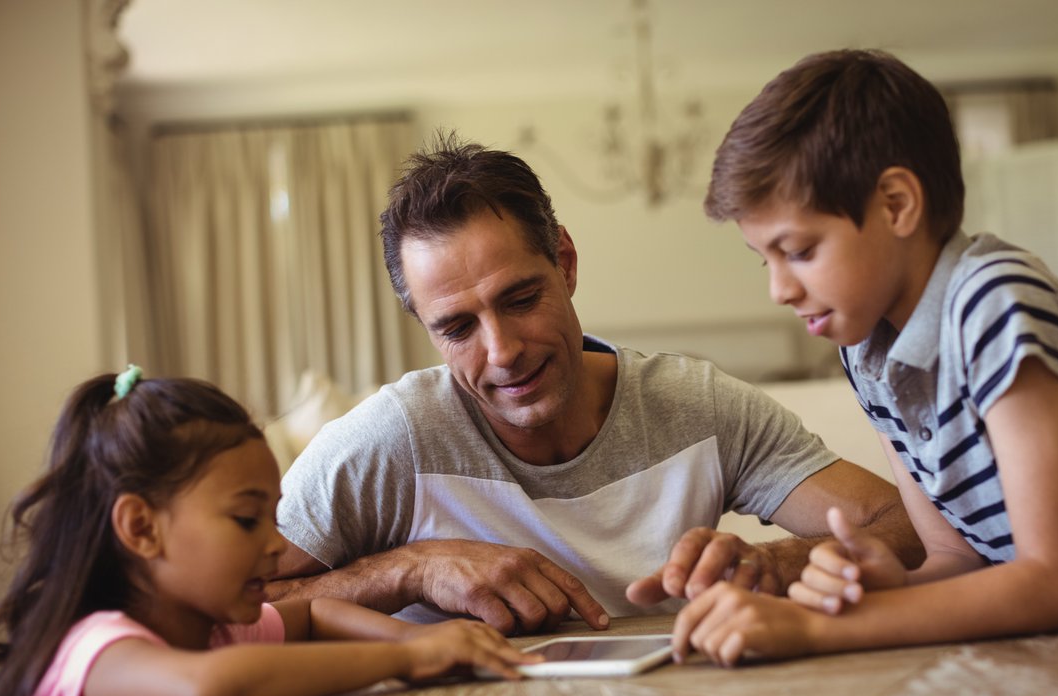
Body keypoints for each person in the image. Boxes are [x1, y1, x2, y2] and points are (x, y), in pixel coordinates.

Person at [270, 133, 923, 633]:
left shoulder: (698, 407)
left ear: (566, 262)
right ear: (423, 324)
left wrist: (780, 564)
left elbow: (903, 524)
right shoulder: (384, 444)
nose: (503, 353)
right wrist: (412, 569)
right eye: (458, 327)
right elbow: (233, 615)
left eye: (521, 298)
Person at [672, 48, 1058, 667]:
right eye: (767, 260)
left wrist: (814, 632)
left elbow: (1056, 580)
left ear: (896, 204)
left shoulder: (995, 301)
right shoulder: (863, 348)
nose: (779, 290)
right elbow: (955, 559)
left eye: (801, 250)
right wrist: (875, 590)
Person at [0, 366, 532, 696]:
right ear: (141, 528)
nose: (275, 545)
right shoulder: (96, 649)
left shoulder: (218, 629)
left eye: (274, 519)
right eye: (247, 520)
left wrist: (414, 638)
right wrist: (405, 660)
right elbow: (208, 688)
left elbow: (314, 614)